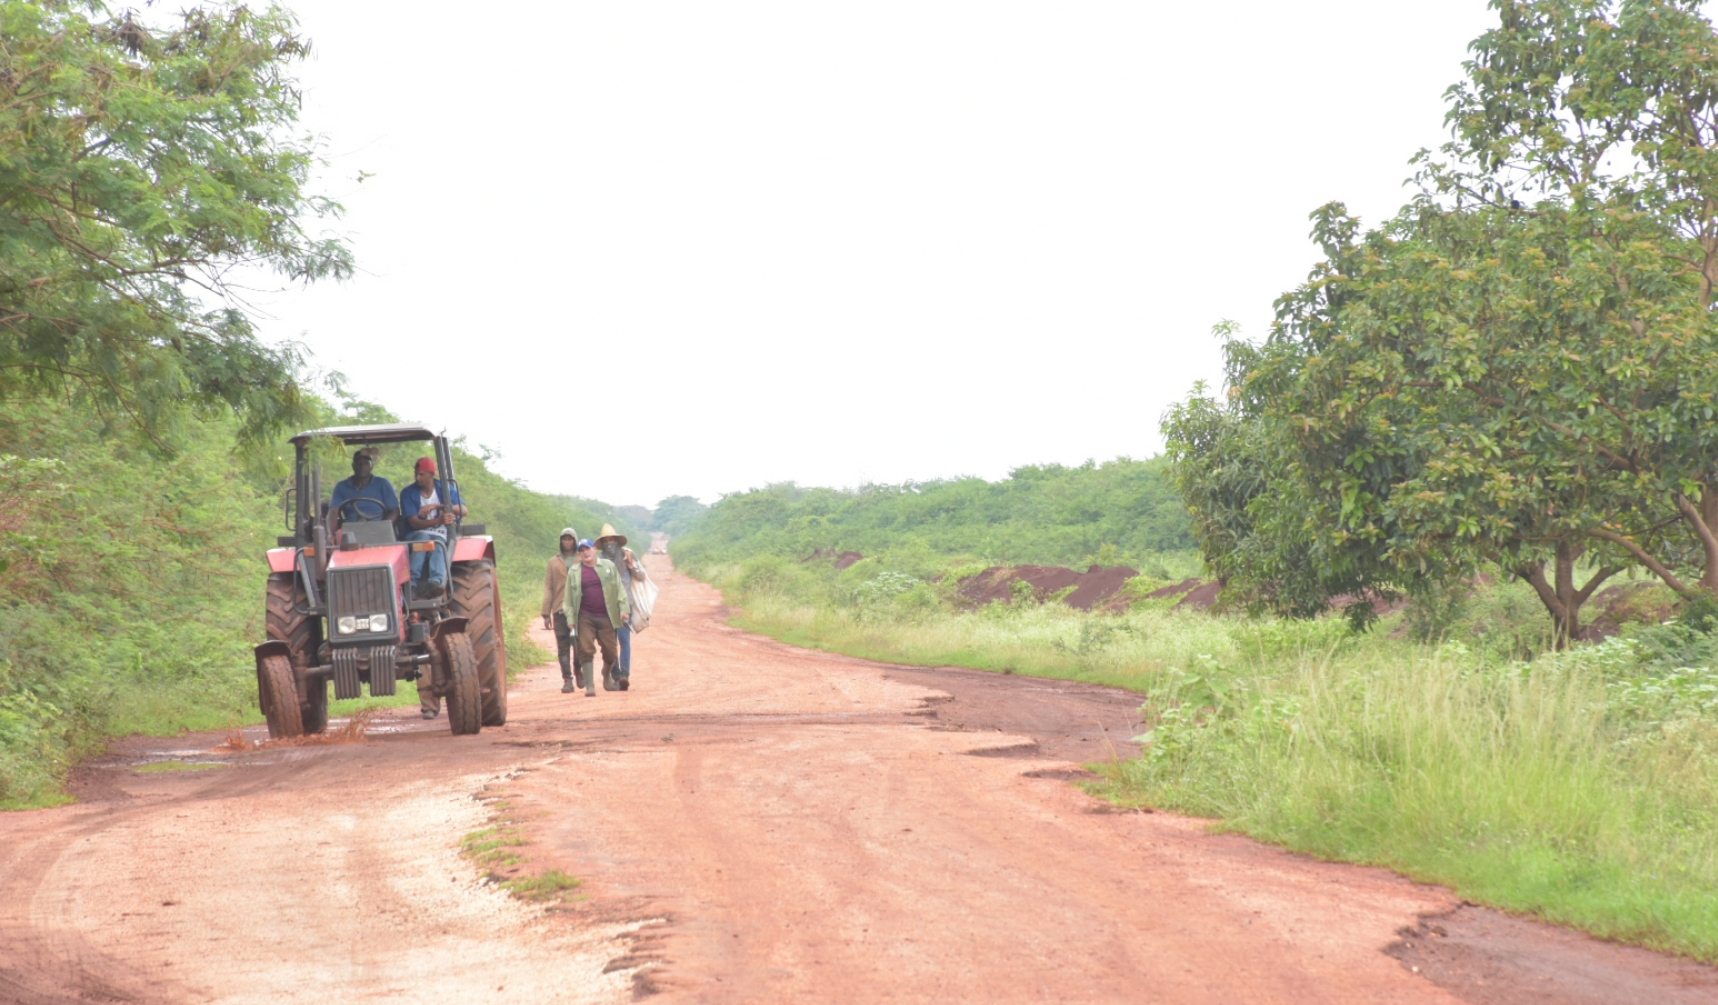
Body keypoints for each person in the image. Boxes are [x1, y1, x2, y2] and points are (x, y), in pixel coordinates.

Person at [561, 538, 631, 698]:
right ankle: (590, 686)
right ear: (579, 554)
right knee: (586, 649)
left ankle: (606, 674)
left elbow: (620, 589)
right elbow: (568, 599)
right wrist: (571, 620)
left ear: (594, 549)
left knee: (611, 652)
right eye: (582, 550)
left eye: (588, 548)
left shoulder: (608, 566)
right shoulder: (574, 572)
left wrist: (624, 609)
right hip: (585, 617)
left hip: (607, 615)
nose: (585, 552)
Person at [399, 456, 465, 599]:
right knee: (424, 539)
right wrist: (439, 520)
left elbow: (464, 510)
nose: (417, 478)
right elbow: (414, 523)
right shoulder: (408, 493)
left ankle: (435, 582)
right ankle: (412, 583)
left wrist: (439, 506)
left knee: (438, 543)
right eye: (416, 474)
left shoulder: (444, 489)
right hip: (415, 534)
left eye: (421, 474)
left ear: (431, 474)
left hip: (439, 534)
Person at [596, 524, 645, 690]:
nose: (609, 543)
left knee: (624, 640)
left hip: (625, 606)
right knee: (610, 644)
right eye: (606, 541)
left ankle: (624, 675)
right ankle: (615, 676)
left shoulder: (627, 555)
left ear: (617, 541)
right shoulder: (599, 560)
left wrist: (631, 565)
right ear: (602, 543)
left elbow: (642, 576)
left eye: (611, 540)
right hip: (606, 608)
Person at [540, 528, 582, 693]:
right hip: (560, 609)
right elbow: (549, 587)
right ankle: (567, 680)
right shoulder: (553, 562)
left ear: (575, 541)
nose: (567, 542)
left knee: (580, 645)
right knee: (563, 646)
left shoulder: (582, 558)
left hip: (580, 609)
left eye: (570, 539)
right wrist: (546, 613)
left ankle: (578, 670)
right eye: (564, 539)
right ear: (561, 541)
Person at [328, 448, 399, 534]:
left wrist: (383, 527)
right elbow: (334, 512)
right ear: (353, 466)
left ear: (371, 466)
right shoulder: (341, 487)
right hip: (351, 531)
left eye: (366, 463)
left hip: (378, 530)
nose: (362, 466)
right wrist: (331, 534)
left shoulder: (383, 484)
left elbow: (394, 511)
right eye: (359, 463)